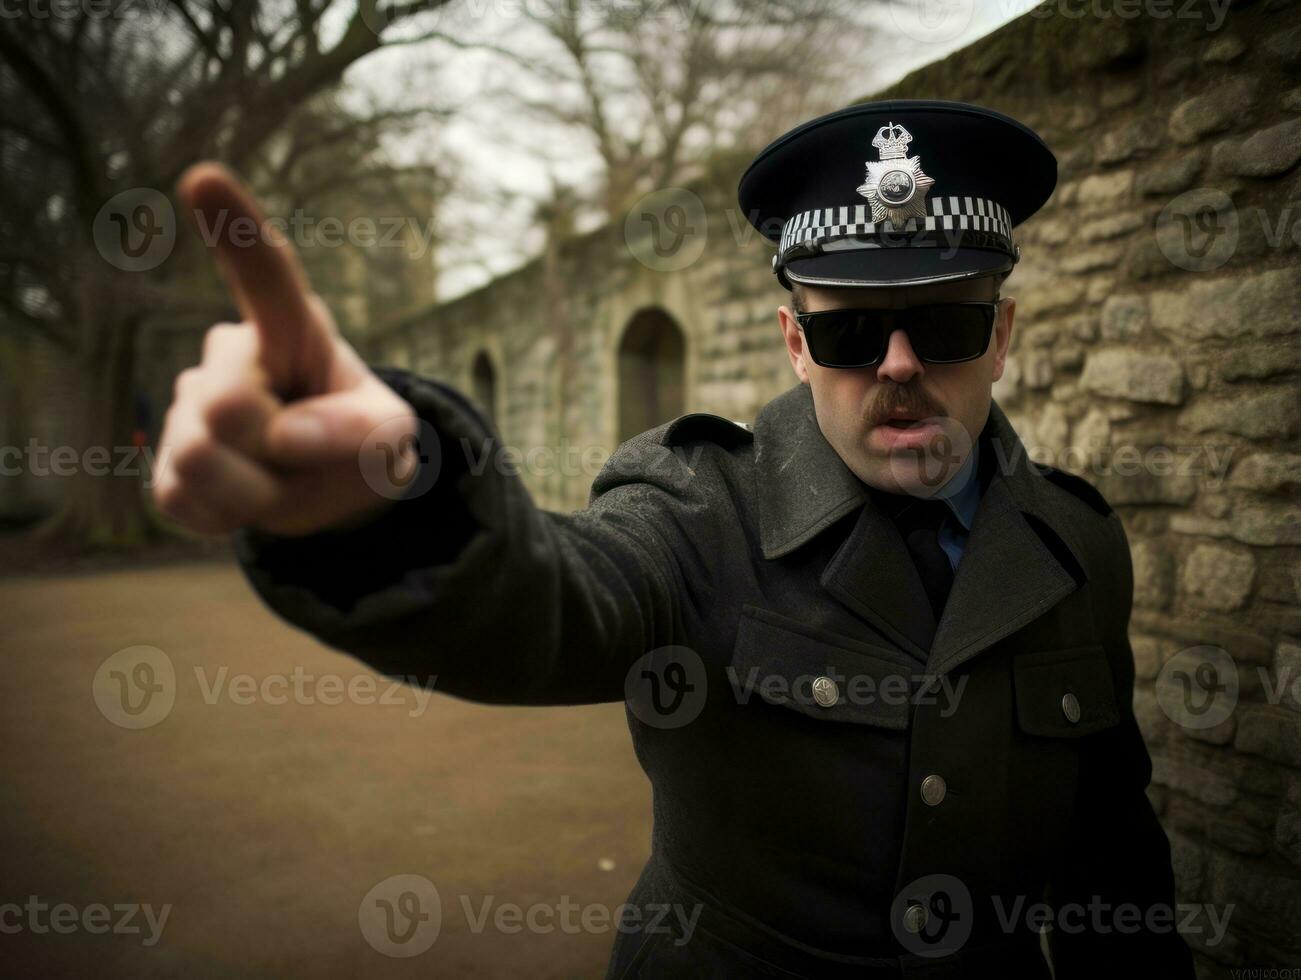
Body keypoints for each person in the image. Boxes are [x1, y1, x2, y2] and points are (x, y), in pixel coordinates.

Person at [154, 99, 1197, 978]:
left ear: (1002, 336)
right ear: (794, 343)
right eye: (845, 331)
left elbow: (1112, 857)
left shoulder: (1075, 544)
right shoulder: (694, 506)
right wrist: (386, 504)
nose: (894, 363)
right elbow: (556, 600)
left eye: (944, 325)